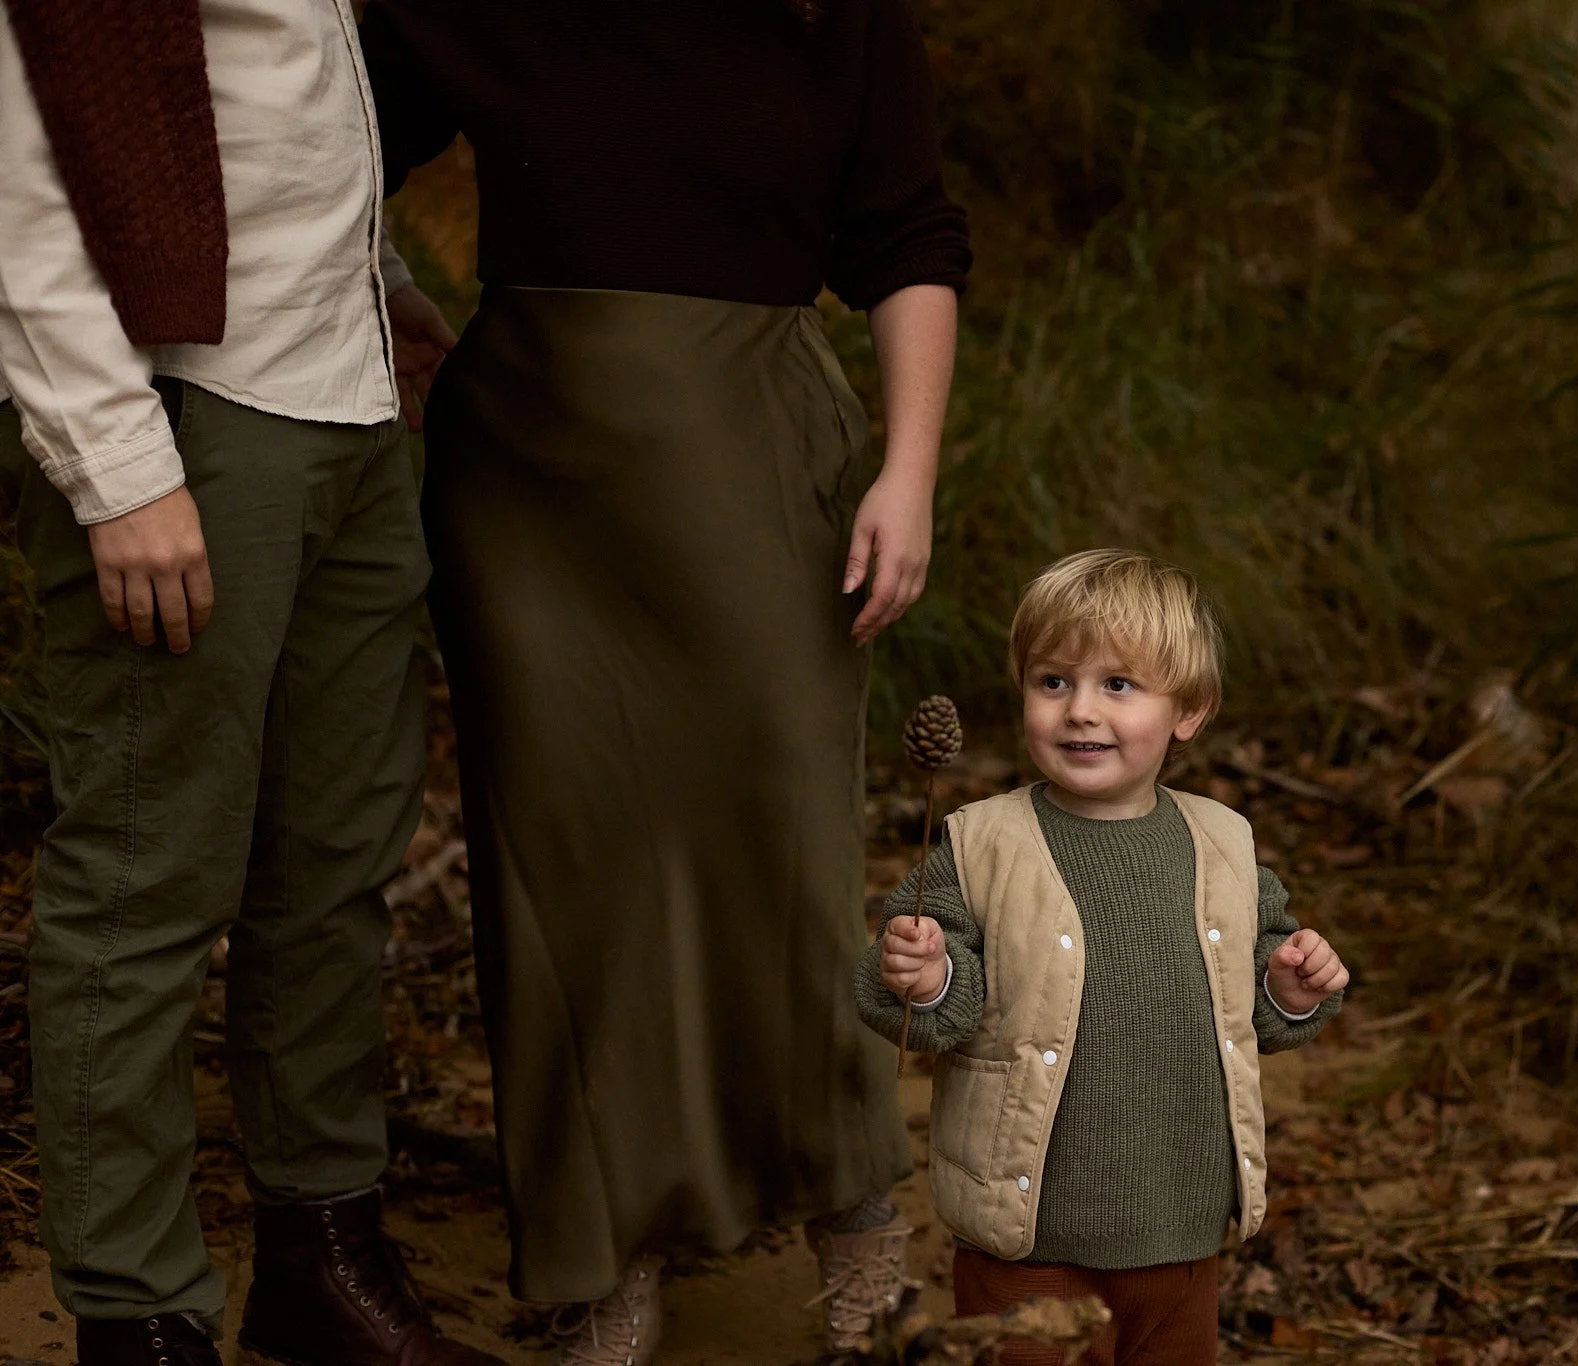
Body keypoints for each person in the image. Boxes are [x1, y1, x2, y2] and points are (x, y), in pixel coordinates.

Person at [356, 0, 971, 1358]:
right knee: (569, 873)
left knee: (781, 839)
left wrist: (910, 470)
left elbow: (909, 232)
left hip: (751, 449)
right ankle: (610, 1245)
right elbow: (318, 145)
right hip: (531, 483)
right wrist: (390, 288)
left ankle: (855, 1218)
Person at [0, 3, 489, 1366]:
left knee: (332, 861)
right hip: (181, 411)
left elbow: (287, 99)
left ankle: (320, 1257)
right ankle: (137, 1312)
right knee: (147, 877)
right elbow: (18, 155)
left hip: (342, 393)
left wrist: (382, 294)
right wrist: (114, 459)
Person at [855, 549, 1350, 1365]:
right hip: (1030, 1236)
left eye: (1117, 685)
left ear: (1188, 711)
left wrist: (1291, 986)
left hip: (1181, 1229)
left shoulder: (1223, 846)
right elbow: (929, 1003)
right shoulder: (982, 844)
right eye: (1053, 682)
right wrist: (927, 974)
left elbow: (1254, 1006)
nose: (1080, 710)